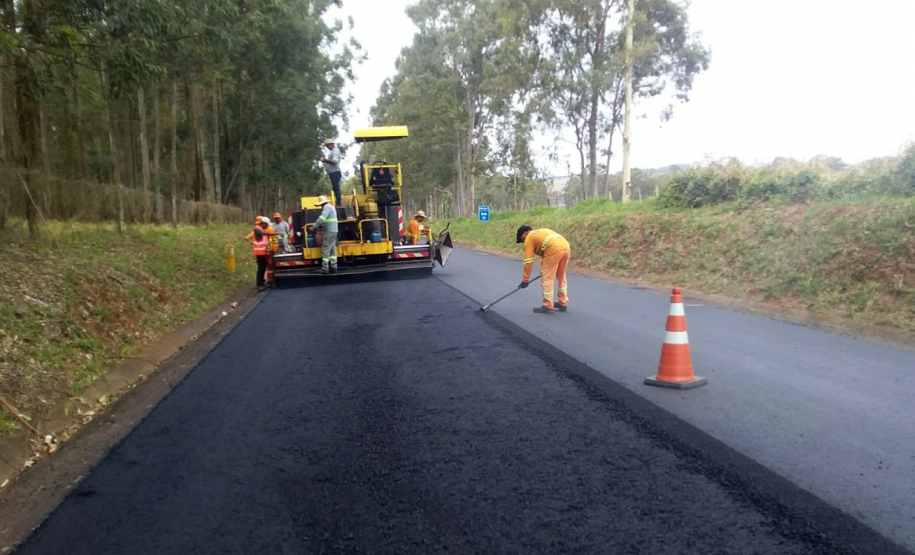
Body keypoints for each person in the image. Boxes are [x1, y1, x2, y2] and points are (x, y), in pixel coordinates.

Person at [516, 225, 571, 314]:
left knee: (547, 278)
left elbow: (528, 261)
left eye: (522, 240)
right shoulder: (541, 232)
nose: (523, 242)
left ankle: (548, 305)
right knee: (561, 276)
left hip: (553, 249)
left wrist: (525, 279)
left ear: (524, 234)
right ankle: (563, 302)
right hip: (566, 247)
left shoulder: (529, 237)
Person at [314, 195, 338, 274]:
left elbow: (322, 218)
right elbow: (327, 220)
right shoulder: (331, 207)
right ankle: (334, 266)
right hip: (334, 231)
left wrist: (314, 226)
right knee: (332, 249)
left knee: (325, 248)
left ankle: (325, 268)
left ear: (321, 204)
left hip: (329, 231)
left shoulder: (326, 207)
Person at [320, 138, 342, 206]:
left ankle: (338, 202)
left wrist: (326, 160)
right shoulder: (332, 151)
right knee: (335, 187)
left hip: (335, 172)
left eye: (327, 146)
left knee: (336, 187)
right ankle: (337, 201)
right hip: (333, 172)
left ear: (331, 144)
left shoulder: (335, 151)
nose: (327, 147)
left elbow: (335, 161)